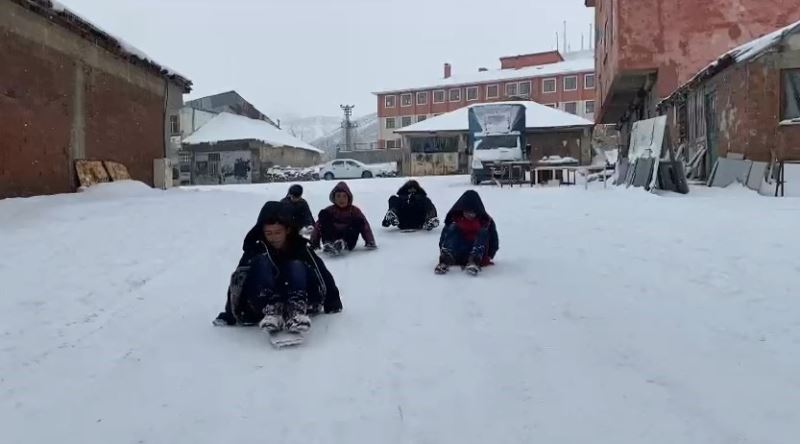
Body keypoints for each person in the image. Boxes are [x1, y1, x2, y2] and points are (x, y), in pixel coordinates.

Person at [213, 201, 342, 333]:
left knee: (296, 265)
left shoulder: (299, 247)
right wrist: (230, 314)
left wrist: (332, 301)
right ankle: (272, 309)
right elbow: (239, 279)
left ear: (288, 230)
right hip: (262, 303)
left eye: (277, 232)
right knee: (262, 262)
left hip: (299, 296)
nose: (273, 238)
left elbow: (320, 271)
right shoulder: (256, 249)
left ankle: (295, 311)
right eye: (268, 233)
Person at [435, 190, 499, 276]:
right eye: (467, 211)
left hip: (477, 255)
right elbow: (444, 237)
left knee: (483, 231)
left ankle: (473, 262)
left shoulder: (486, 221)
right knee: (453, 228)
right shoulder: (454, 220)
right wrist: (443, 252)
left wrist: (490, 254)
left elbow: (493, 240)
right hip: (457, 254)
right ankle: (445, 261)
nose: (470, 214)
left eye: (472, 212)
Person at [311, 181, 377, 255]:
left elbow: (365, 226)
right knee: (323, 214)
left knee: (359, 220)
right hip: (332, 236)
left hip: (348, 238)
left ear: (349, 198)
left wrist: (370, 241)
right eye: (338, 196)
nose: (341, 199)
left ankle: (343, 244)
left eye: (344, 196)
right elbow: (318, 226)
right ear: (334, 198)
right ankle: (329, 244)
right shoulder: (329, 210)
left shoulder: (354, 210)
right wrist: (314, 243)